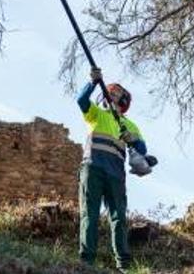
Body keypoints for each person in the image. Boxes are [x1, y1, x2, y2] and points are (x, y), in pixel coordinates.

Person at [76, 67, 149, 272]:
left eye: (117, 91)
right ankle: (86, 261)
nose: (113, 93)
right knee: (89, 213)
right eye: (110, 90)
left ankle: (123, 265)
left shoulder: (130, 125)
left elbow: (142, 149)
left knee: (119, 218)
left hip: (116, 174)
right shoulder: (96, 114)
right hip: (93, 167)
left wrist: (131, 139)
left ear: (123, 99)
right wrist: (93, 82)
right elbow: (81, 100)